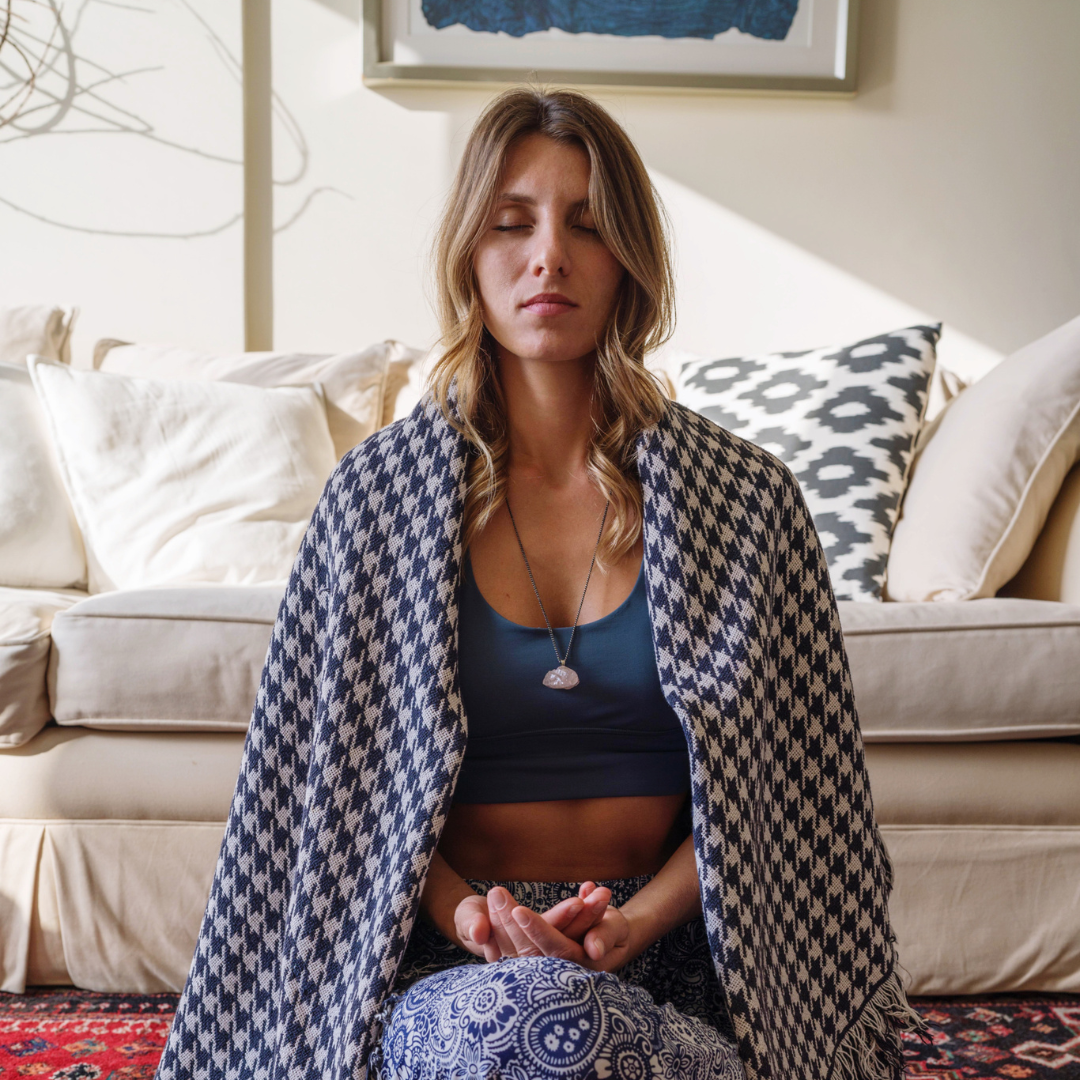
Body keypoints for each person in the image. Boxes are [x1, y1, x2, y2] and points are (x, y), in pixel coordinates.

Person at [155, 88, 925, 1080]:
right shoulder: (376, 501)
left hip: (685, 963)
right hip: (440, 962)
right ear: (469, 256)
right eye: (512, 224)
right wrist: (470, 912)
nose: (548, 256)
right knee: (522, 1026)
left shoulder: (748, 502)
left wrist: (633, 921)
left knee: (569, 1026)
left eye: (588, 226)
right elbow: (327, 787)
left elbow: (783, 793)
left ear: (629, 261)